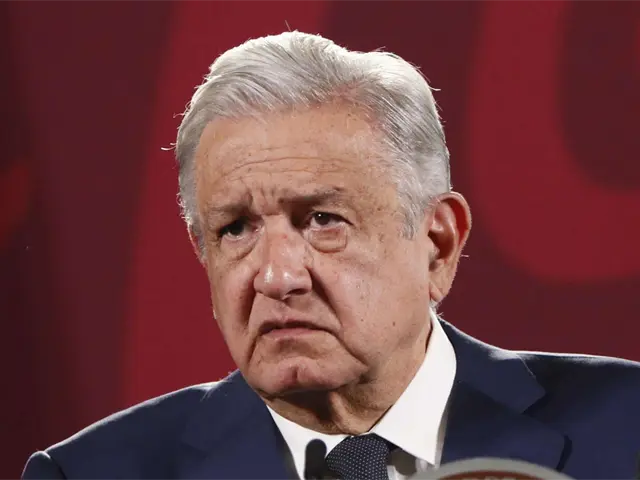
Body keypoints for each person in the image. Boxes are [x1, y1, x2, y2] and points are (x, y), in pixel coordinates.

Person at [23, 31, 640, 480]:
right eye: (235, 229)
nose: (276, 276)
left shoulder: (627, 429)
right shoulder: (91, 472)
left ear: (438, 243)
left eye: (323, 220)